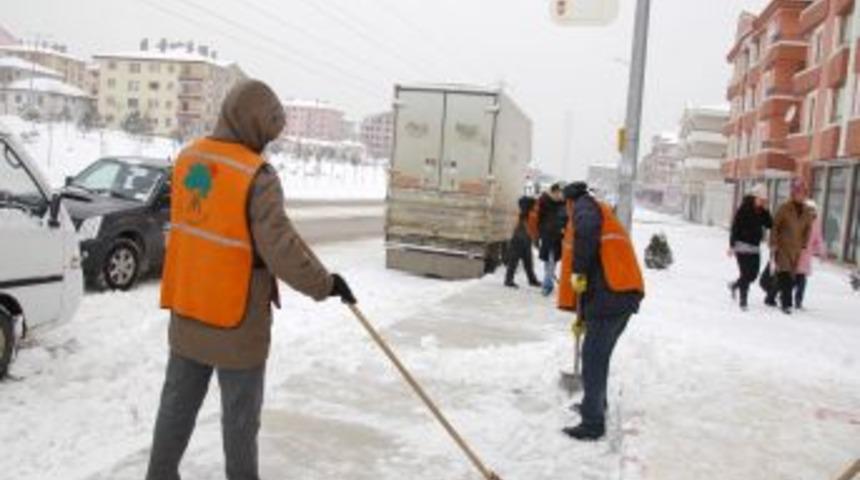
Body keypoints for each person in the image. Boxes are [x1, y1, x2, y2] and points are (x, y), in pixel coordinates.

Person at [146, 80, 356, 480]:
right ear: (254, 124)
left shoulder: (188, 158)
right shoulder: (256, 176)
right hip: (237, 319)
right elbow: (281, 249)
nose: (266, 143)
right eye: (267, 133)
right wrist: (325, 285)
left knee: (176, 406)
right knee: (240, 421)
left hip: (188, 305)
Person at [559, 182, 644, 441]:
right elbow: (599, 264)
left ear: (569, 201)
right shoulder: (598, 208)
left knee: (593, 359)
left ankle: (592, 424)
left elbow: (586, 233)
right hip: (617, 296)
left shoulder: (584, 209)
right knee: (598, 356)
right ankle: (594, 405)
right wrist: (582, 318)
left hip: (612, 297)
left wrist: (578, 271)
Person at [766, 178, 815, 314]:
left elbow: (808, 228)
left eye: (803, 193)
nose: (801, 195)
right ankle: (786, 303)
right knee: (785, 274)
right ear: (793, 193)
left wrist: (804, 243)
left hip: (796, 249)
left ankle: (770, 297)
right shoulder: (784, 208)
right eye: (798, 192)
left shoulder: (807, 211)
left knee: (790, 276)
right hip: (782, 246)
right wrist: (773, 243)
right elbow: (775, 226)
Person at [727, 183, 772, 310]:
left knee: (753, 275)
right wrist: (732, 245)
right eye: (761, 199)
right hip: (741, 246)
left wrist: (766, 210)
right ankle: (743, 301)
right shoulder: (743, 209)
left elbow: (770, 224)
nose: (762, 202)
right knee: (746, 273)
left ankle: (735, 285)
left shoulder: (762, 211)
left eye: (764, 200)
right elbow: (735, 228)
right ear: (754, 197)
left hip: (754, 247)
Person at [794, 200, 825, 310]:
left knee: (802, 281)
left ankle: (798, 302)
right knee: (792, 279)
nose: (811, 212)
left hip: (806, 256)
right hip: (795, 254)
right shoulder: (798, 219)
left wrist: (821, 251)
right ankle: (783, 295)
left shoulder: (816, 223)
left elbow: (818, 238)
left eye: (813, 210)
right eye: (809, 210)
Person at [504, 195, 541, 288]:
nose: (536, 206)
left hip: (518, 239)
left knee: (518, 261)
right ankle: (510, 280)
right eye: (535, 204)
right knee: (522, 262)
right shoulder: (530, 214)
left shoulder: (523, 213)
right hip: (522, 240)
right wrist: (536, 240)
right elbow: (532, 229)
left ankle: (529, 280)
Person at [537, 183, 566, 296]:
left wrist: (563, 228)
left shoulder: (563, 204)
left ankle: (548, 283)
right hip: (548, 236)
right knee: (550, 261)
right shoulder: (544, 202)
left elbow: (566, 219)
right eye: (557, 193)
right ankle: (547, 285)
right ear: (552, 192)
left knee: (551, 261)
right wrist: (541, 231)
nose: (559, 195)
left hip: (558, 237)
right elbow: (538, 218)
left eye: (560, 193)